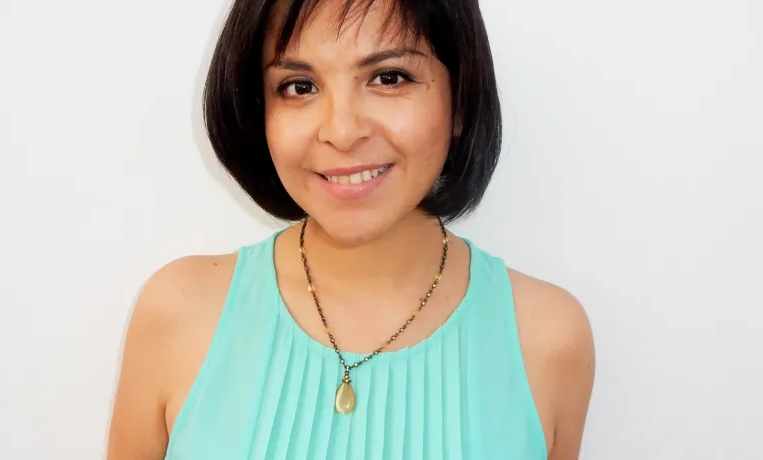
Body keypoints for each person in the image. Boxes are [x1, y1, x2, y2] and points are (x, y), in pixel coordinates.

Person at [106, 0, 595, 458]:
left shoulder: (547, 338)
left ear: (460, 101)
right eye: (299, 86)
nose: (341, 132)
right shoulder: (178, 313)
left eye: (389, 77)